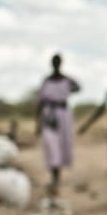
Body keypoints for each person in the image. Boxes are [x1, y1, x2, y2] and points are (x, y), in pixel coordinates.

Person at [37, 54, 80, 197]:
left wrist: (64, 76)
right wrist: (37, 123)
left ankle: (56, 179)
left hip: (63, 116)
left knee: (61, 146)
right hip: (49, 116)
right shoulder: (46, 81)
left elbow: (78, 87)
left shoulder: (66, 80)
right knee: (52, 146)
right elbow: (40, 102)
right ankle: (54, 178)